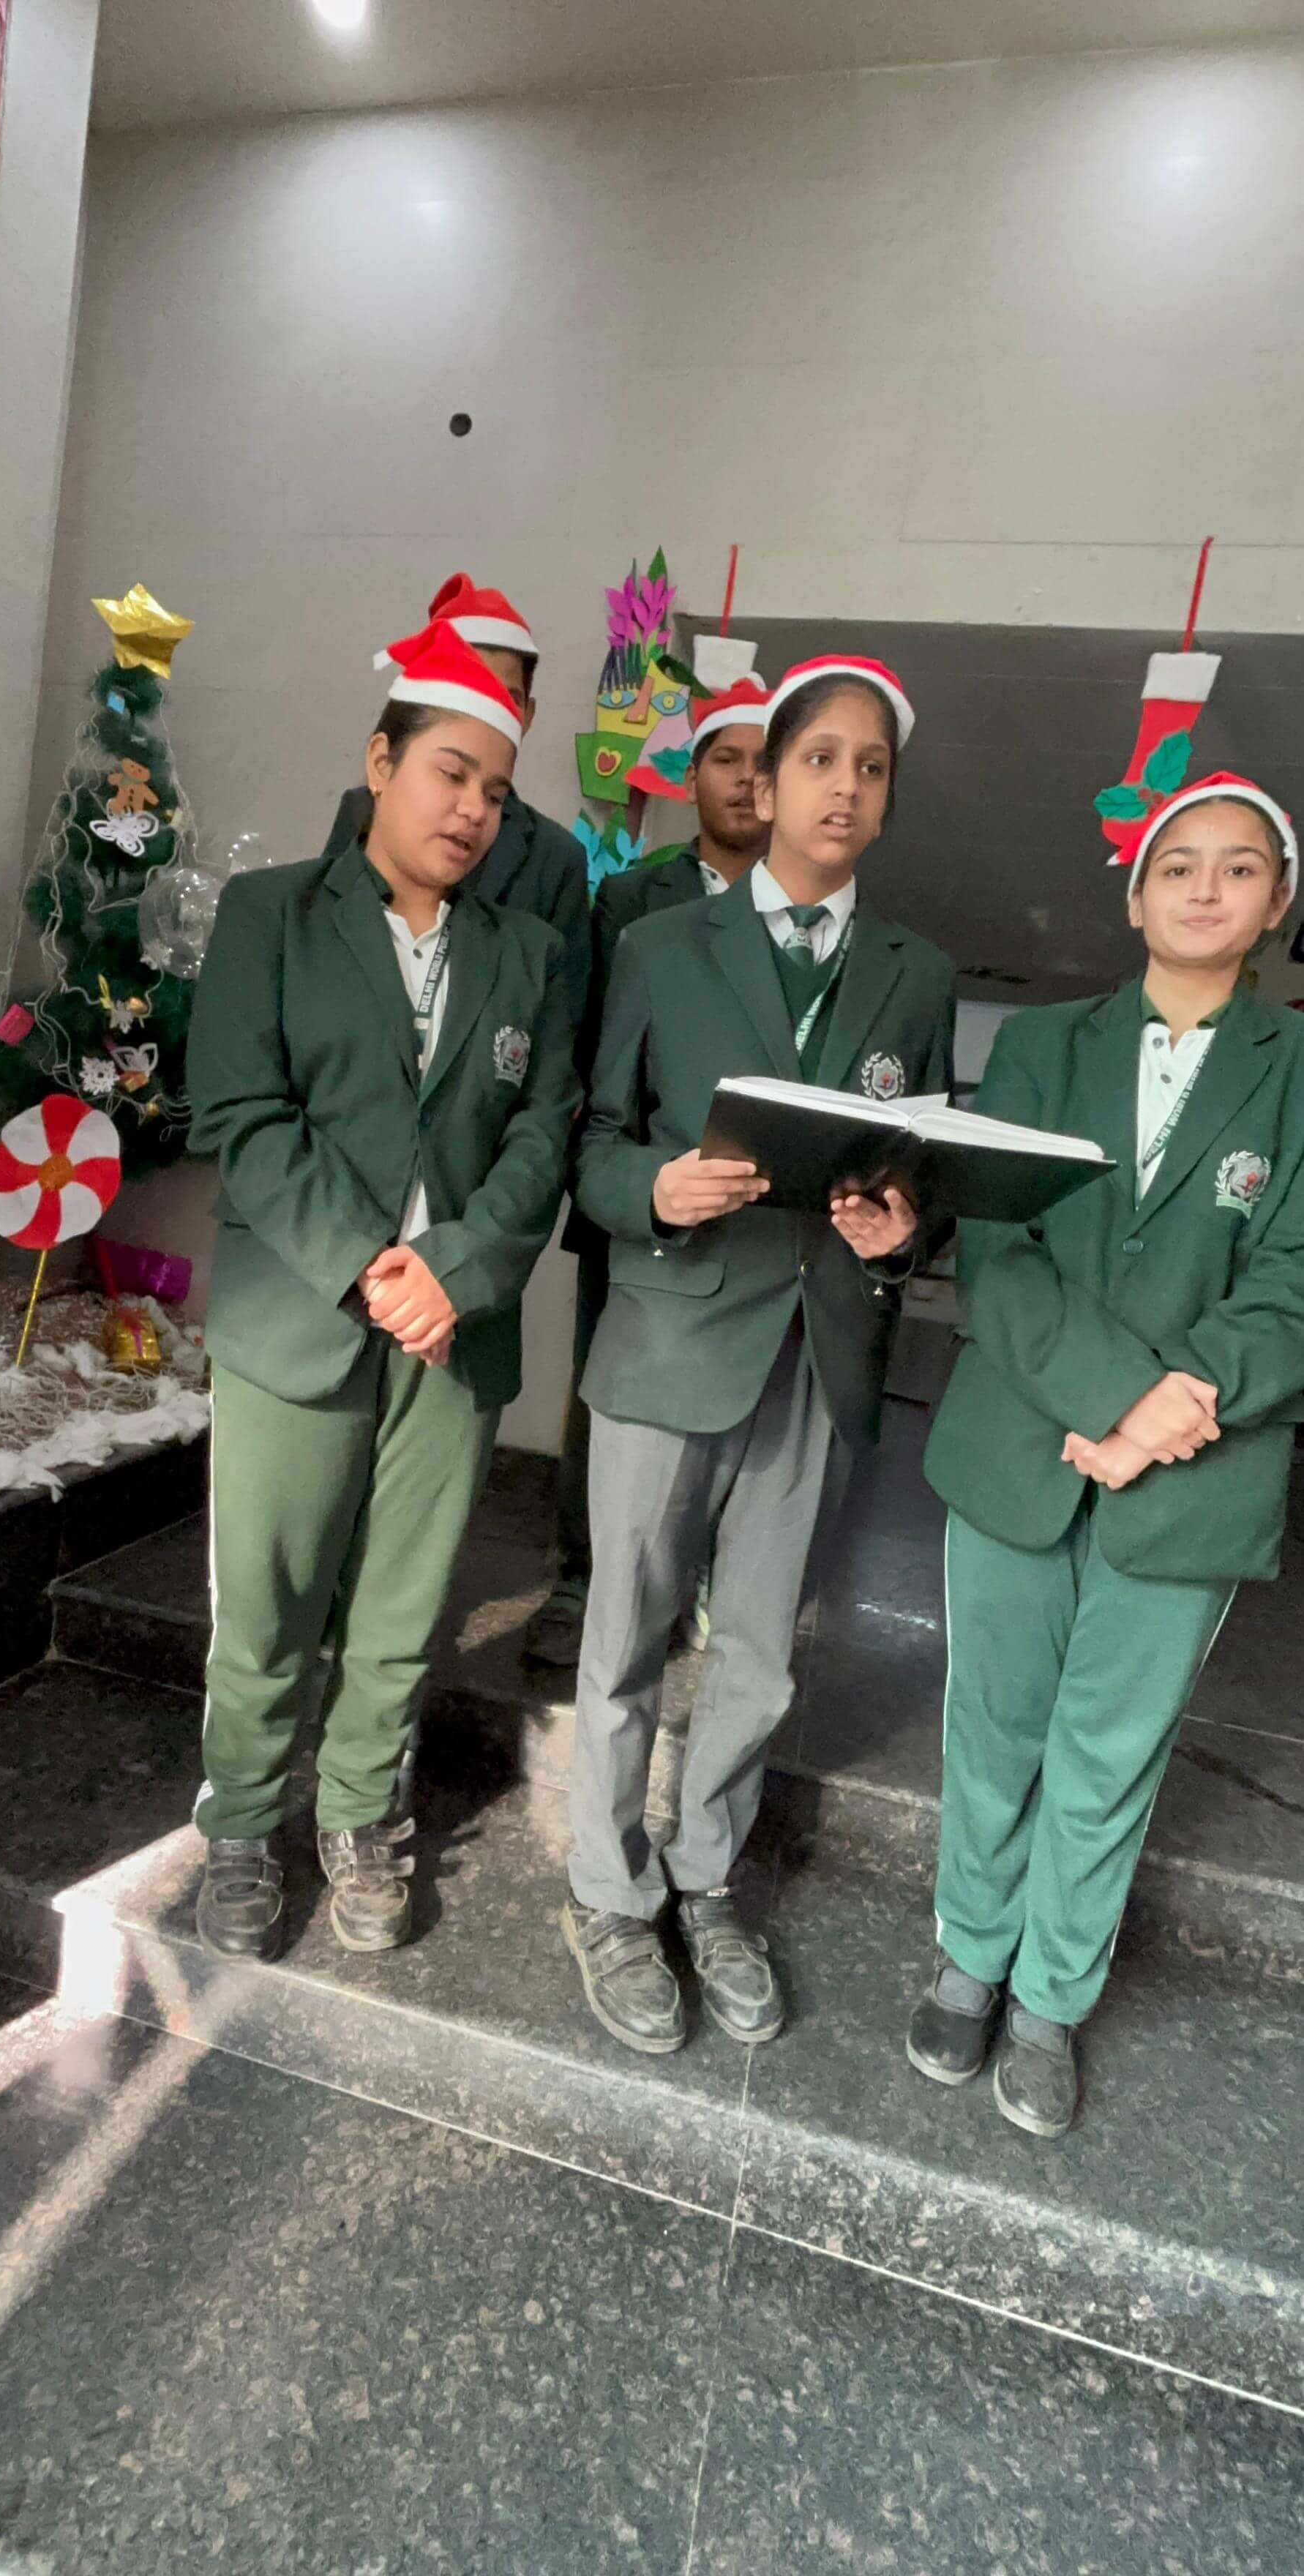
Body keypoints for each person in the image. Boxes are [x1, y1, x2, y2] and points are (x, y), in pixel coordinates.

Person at [564, 655, 956, 2053]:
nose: (845, 787)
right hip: (671, 1340)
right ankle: (611, 1894)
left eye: (872, 768)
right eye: (820, 760)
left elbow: (922, 1171)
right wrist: (656, 1189)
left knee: (759, 1659)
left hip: (818, 1352)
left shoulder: (915, 974)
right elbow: (594, 1144)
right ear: (767, 780)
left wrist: (902, 1231)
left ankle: (707, 1879)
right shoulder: (665, 945)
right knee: (625, 1635)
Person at [911, 771, 1304, 2138]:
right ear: (1134, 897)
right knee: (994, 1724)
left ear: (1276, 901)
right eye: (1177, 864)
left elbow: (1295, 1281)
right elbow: (998, 1245)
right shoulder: (1040, 1047)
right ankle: (970, 1958)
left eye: (1239, 866)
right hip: (1024, 1440)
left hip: (1200, 1472)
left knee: (1109, 1750)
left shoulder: (1298, 1072)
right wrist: (1116, 1398)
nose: (1205, 887)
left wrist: (1171, 1409)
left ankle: (1050, 2000)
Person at [187, 618, 580, 1966]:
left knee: (403, 1609)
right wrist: (369, 1266)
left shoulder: (527, 953)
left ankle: (360, 1814)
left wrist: (452, 1272)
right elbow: (242, 1112)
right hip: (299, 1315)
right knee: (269, 1599)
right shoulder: (272, 915)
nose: (472, 809)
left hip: (452, 1336)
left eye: (495, 791)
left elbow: (544, 1135)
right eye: (449, 774)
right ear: (381, 761)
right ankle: (244, 1820)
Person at [525, 674, 773, 1669]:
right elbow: (593, 1045)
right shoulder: (631, 900)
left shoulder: (800, 910)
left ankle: (693, 1581)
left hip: (759, 1209)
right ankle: (580, 1579)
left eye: (764, 762)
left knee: (741, 1408)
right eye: (726, 759)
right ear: (692, 776)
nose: (746, 780)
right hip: (638, 1189)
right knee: (606, 1388)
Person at [326, 572, 591, 1030]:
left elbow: (564, 1024)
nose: (485, 710)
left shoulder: (556, 857)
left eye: (506, 698)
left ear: (528, 715)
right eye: (468, 687)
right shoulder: (362, 811)